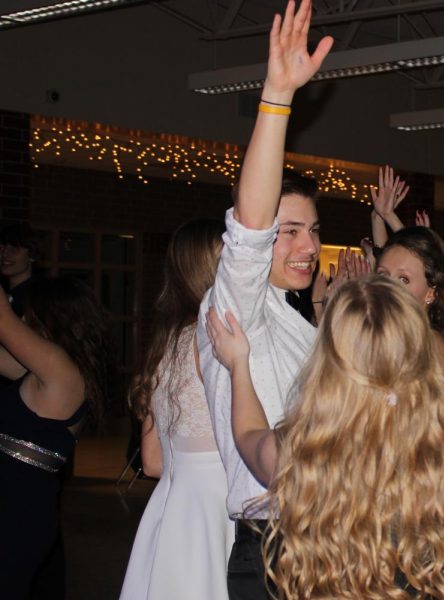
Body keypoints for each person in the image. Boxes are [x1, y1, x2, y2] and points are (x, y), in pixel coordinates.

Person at [204, 239, 444, 599]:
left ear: (329, 357)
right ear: (417, 349)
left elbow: (249, 434)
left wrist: (238, 366)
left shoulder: (304, 451)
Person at [194, 2, 332, 597]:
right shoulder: (235, 306)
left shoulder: (293, 318)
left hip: (325, 538)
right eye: (290, 232)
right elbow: (249, 231)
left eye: (313, 230)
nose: (308, 245)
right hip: (275, 545)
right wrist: (276, 99)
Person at [120, 219, 233, 600]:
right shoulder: (217, 341)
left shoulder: (166, 343)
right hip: (215, 506)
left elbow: (152, 462)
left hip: (171, 505)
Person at [0, 278, 112, 599]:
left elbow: (3, 321)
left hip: (19, 511)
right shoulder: (50, 370)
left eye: (29, 316)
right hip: (19, 504)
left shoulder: (61, 370)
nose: (22, 321)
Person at [377, 226, 444, 407]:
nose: (387, 287)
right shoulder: (441, 339)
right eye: (382, 275)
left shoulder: (417, 344)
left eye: (403, 279)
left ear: (431, 292)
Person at [0, 222, 40, 317]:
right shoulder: (4, 290)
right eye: (2, 248)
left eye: (14, 249)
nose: (5, 254)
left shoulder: (37, 298)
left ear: (32, 255)